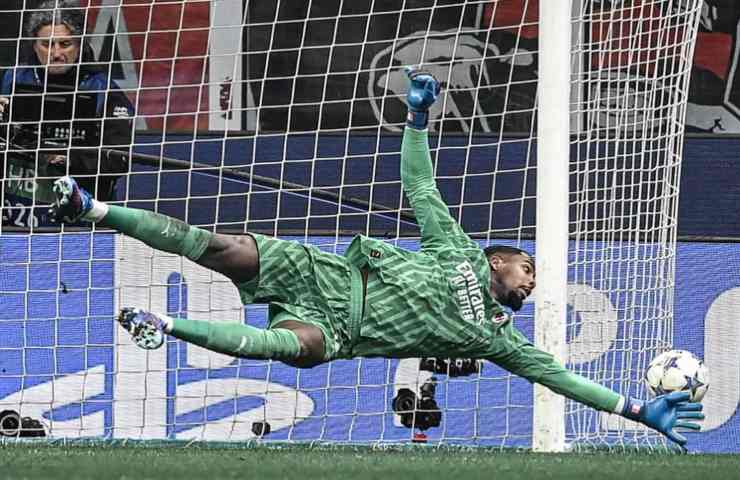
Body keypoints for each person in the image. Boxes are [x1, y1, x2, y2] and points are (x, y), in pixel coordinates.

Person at [48, 68, 704, 447]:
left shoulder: (500, 340)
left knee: (281, 346)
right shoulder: (455, 246)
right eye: (526, 268)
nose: (531, 283)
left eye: (533, 281)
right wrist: (417, 121)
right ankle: (93, 209)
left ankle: (166, 327)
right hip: (328, 272)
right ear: (496, 259)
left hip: (343, 330)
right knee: (221, 246)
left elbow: (562, 379)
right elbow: (419, 184)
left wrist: (638, 411)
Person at [0, 0, 133, 228]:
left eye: (65, 44)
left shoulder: (105, 90)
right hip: (13, 217)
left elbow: (118, 162)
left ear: (80, 45)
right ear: (34, 45)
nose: (56, 53)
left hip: (79, 222)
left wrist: (68, 159)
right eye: (47, 44)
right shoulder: (12, 78)